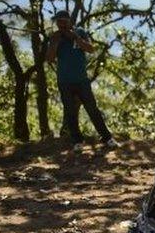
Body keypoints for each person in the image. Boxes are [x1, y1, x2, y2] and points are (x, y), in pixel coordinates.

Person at [46, 10, 118, 150]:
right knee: (70, 111)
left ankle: (107, 138)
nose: (60, 24)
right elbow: (49, 59)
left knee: (92, 109)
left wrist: (75, 38)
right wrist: (54, 43)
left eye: (63, 21)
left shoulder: (79, 32)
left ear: (69, 22)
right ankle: (77, 141)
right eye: (58, 22)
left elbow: (91, 49)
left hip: (81, 79)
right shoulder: (54, 37)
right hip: (64, 81)